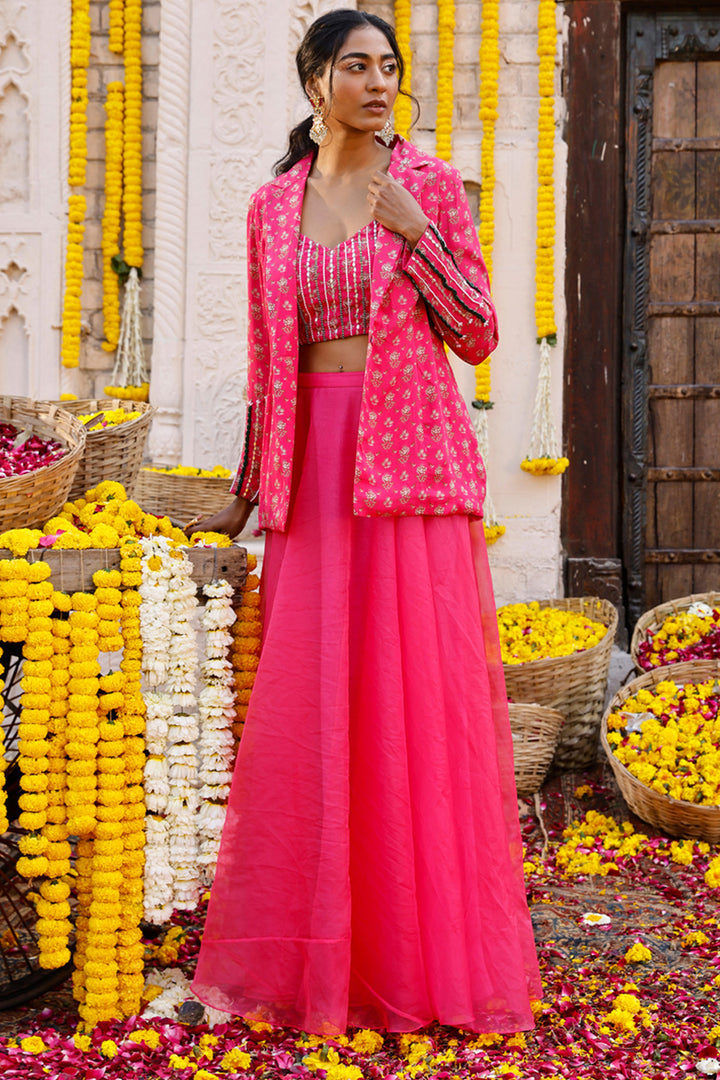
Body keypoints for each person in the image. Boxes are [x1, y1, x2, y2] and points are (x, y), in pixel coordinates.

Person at [191, 8, 541, 1035]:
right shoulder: (270, 208)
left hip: (407, 467)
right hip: (314, 470)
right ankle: (313, 962)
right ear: (314, 84)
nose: (379, 83)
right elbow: (269, 361)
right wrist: (247, 488)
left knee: (412, 715)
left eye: (391, 67)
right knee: (314, 714)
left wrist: (416, 233)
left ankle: (418, 962)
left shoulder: (426, 186)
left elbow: (477, 333)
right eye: (356, 66)